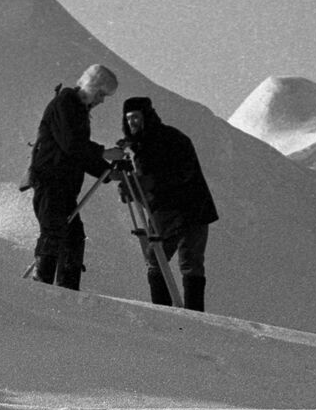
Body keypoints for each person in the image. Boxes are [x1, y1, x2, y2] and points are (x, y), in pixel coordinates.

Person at [23, 64, 126, 290]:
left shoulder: (77, 110)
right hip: (51, 180)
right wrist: (103, 154)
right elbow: (72, 145)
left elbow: (79, 154)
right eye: (101, 94)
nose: (101, 100)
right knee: (54, 232)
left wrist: (107, 172)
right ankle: (41, 289)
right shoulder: (65, 104)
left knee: (72, 237)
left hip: (64, 185)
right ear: (91, 87)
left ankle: (66, 291)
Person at [118, 96, 219, 311]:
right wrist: (133, 186)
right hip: (183, 210)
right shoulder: (144, 146)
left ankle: (174, 314)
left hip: (185, 210)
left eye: (136, 117)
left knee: (169, 262)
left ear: (147, 116)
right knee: (179, 263)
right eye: (128, 119)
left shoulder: (170, 140)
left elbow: (181, 173)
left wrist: (146, 182)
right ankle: (179, 314)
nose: (132, 123)